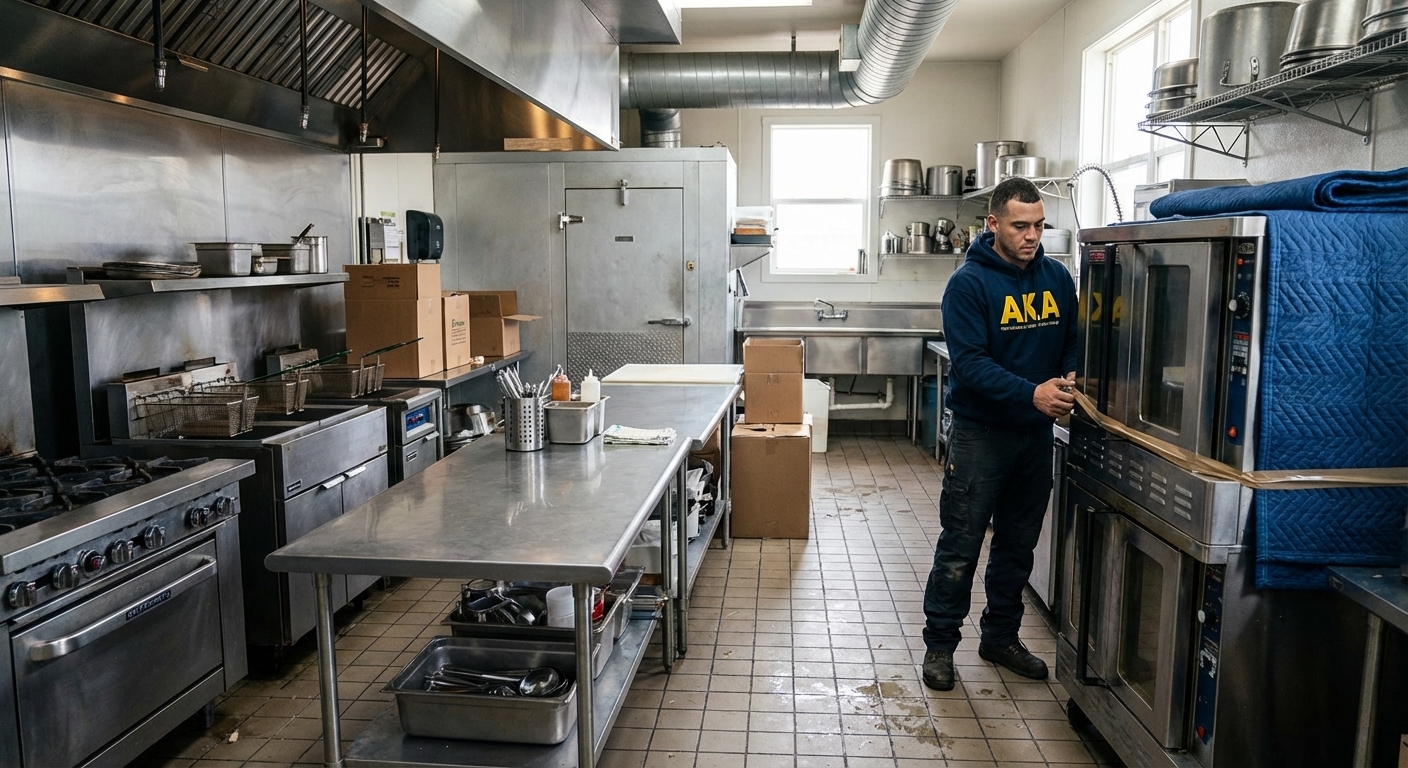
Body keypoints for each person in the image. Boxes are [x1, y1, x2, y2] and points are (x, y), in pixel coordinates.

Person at [920, 177, 1077, 691]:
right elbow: (970, 364)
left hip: (1035, 438)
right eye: (1020, 226)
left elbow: (1073, 343)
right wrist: (1032, 393)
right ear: (993, 224)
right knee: (961, 544)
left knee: (1018, 544)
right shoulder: (969, 285)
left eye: (1038, 225)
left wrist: (1070, 379)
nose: (1032, 236)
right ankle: (940, 646)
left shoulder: (1057, 278)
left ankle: (1000, 637)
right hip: (981, 437)